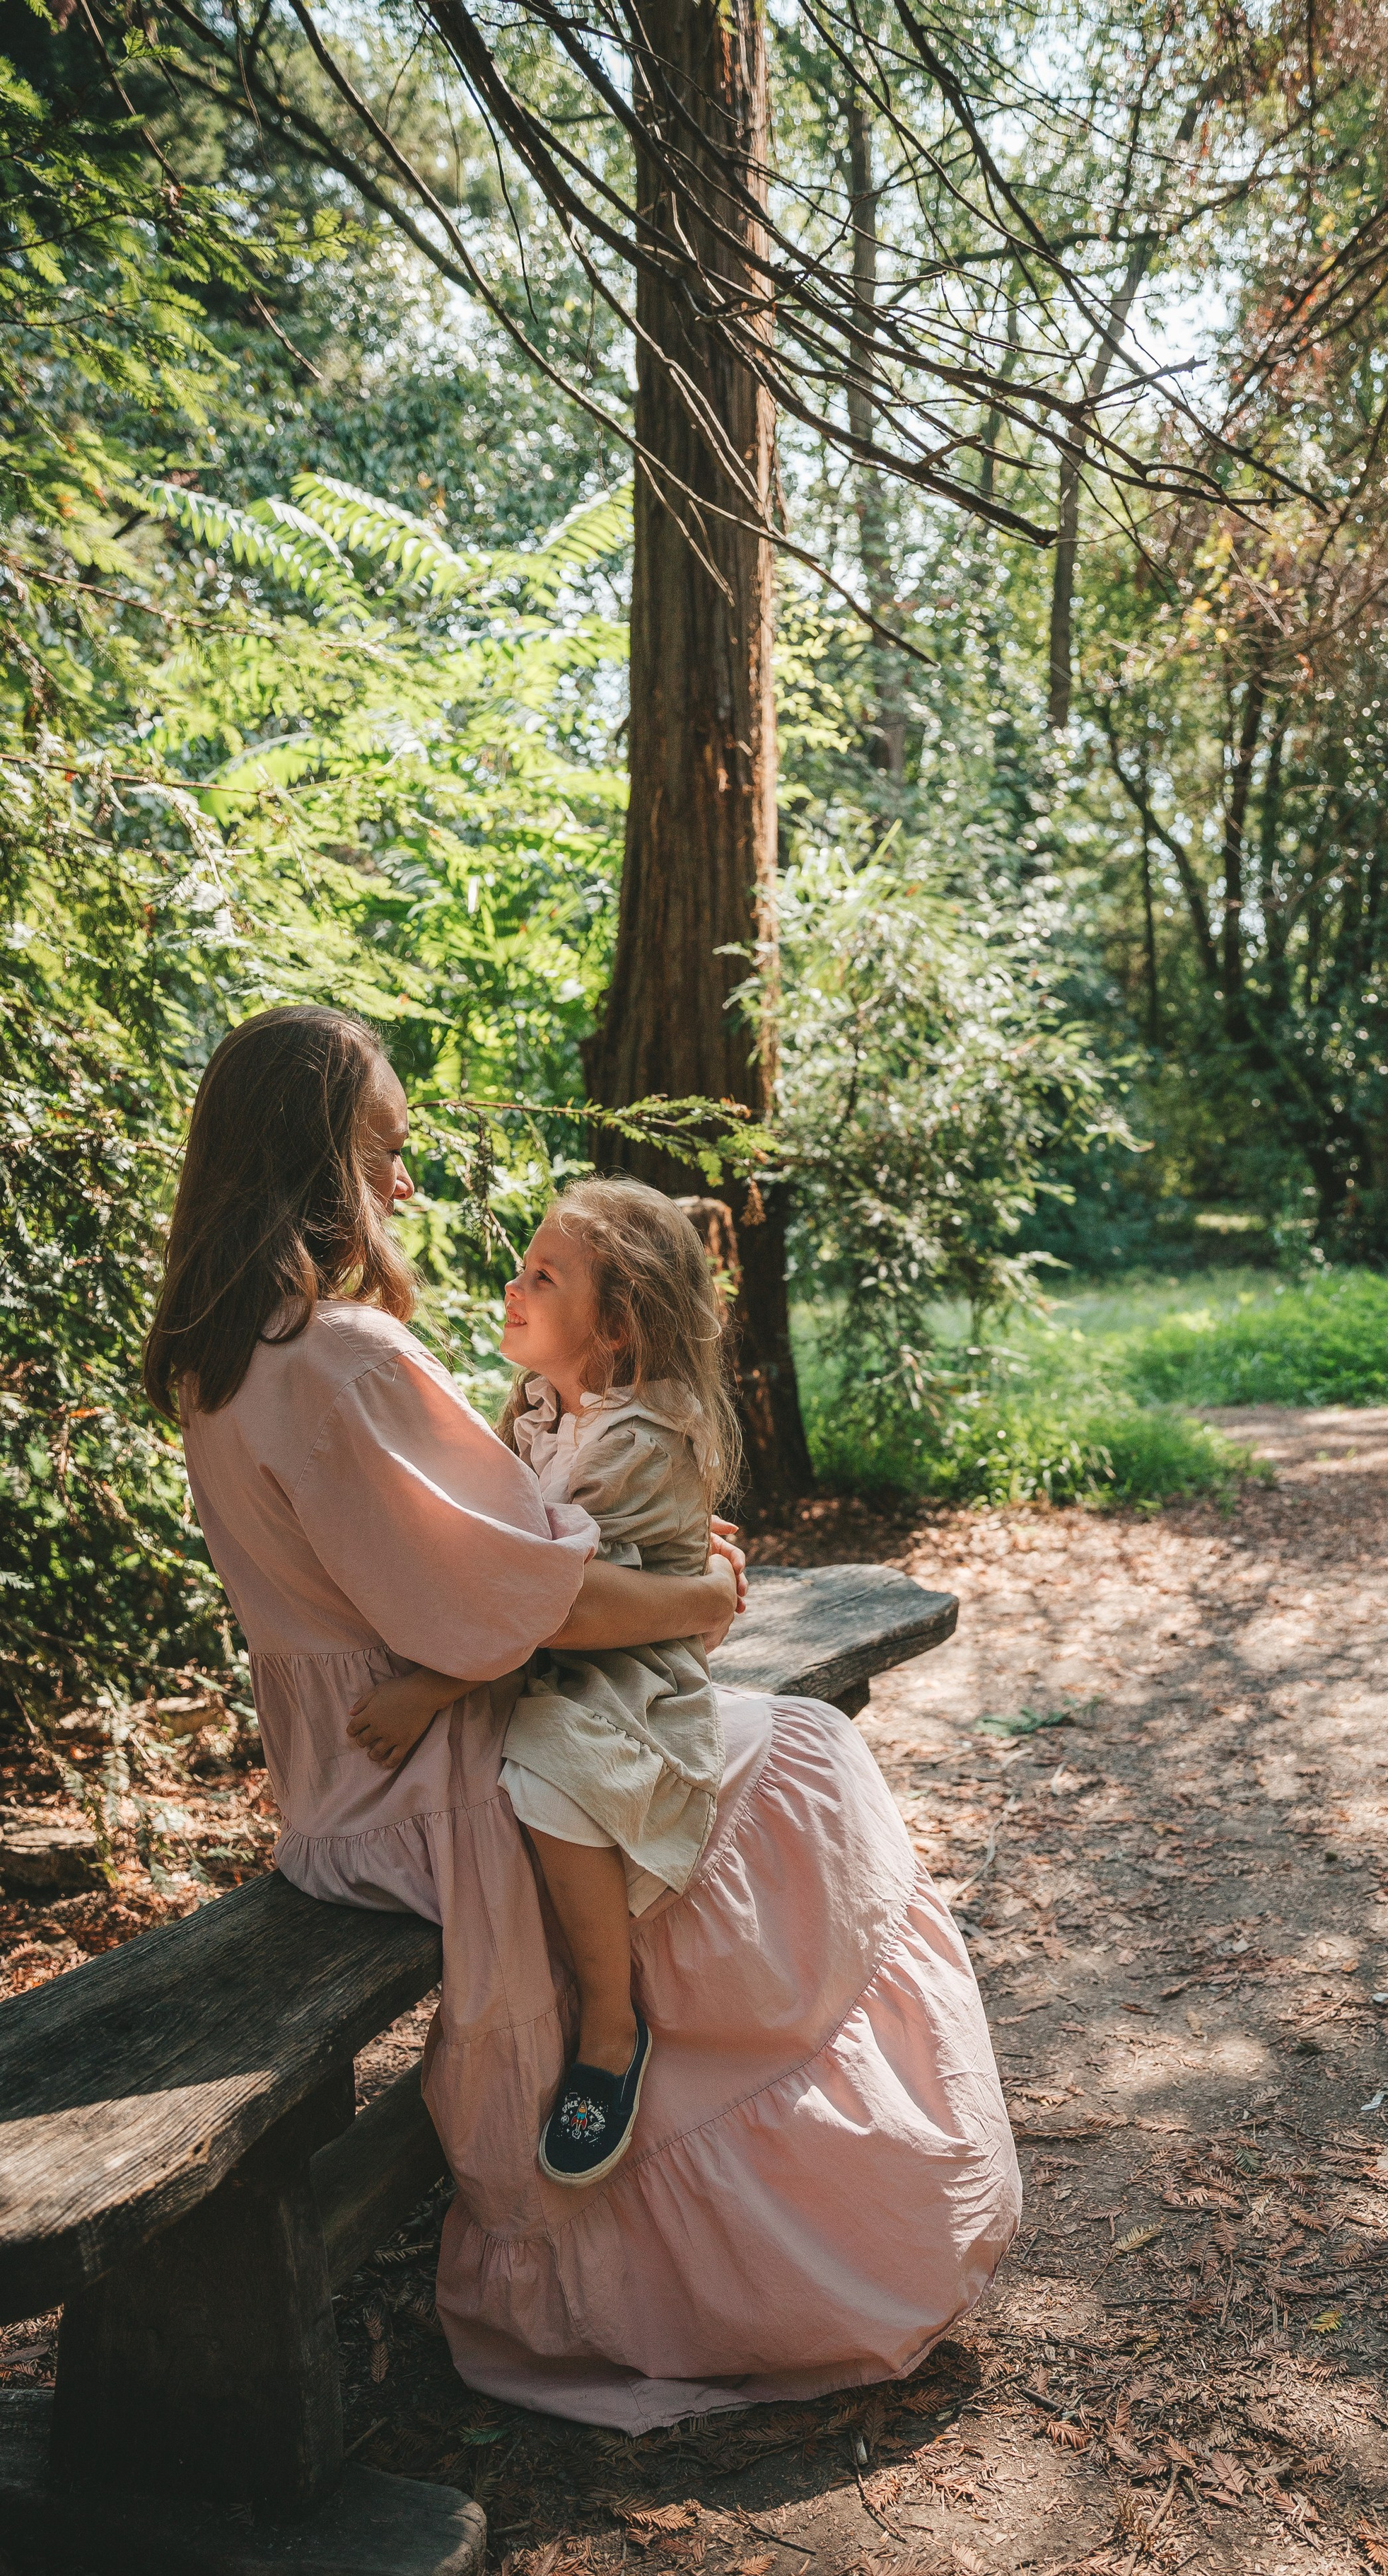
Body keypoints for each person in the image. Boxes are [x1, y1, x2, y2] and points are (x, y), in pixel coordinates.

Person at [142, 1003, 1020, 2434]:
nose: (406, 1189)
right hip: (435, 1783)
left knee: (740, 1771)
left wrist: (634, 1580)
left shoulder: (219, 1357)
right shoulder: (345, 1359)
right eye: (384, 1153)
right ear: (314, 1162)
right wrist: (696, 1604)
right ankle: (741, 2254)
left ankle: (708, 2165)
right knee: (805, 1761)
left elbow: (500, 1573)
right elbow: (532, 1604)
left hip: (347, 1786)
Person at [344, 1177, 739, 2192]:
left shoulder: (639, 1443)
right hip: (547, 1651)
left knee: (553, 1775)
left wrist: (430, 1688)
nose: (513, 1288)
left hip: (626, 1677)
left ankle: (611, 2025)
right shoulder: (538, 1406)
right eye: (522, 1268)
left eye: (543, 1277)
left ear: (613, 1327)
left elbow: (546, 1601)